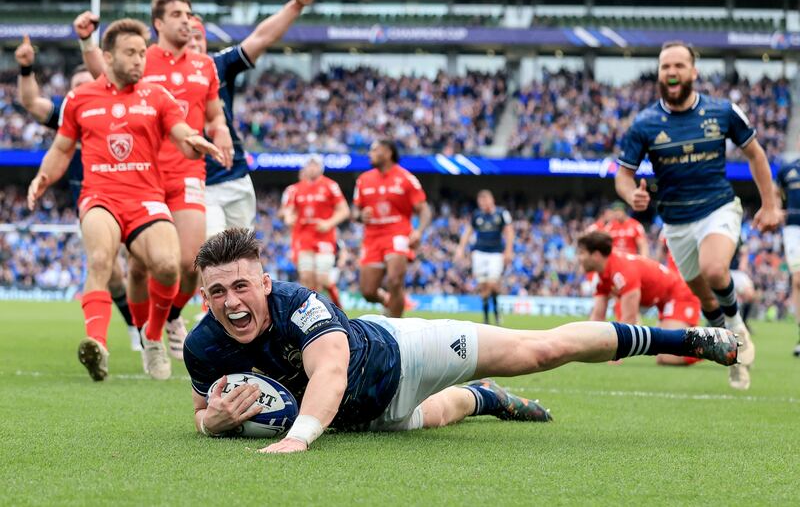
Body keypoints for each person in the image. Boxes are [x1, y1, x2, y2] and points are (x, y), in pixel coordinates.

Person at [184, 228, 739, 454]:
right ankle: (488, 398)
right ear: (202, 295)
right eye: (216, 292)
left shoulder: (296, 302)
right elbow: (201, 413)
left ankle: (689, 336)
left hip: (401, 355)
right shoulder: (203, 346)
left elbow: (328, 371)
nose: (232, 302)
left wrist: (300, 438)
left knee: (540, 350)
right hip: (359, 418)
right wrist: (215, 421)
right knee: (450, 411)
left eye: (241, 286)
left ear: (263, 281)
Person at [26, 18, 223, 381]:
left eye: (142, 53)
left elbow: (180, 132)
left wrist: (193, 143)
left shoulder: (157, 96)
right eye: (130, 53)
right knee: (101, 259)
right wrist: (43, 176)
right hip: (100, 196)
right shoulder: (80, 98)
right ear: (107, 57)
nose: (139, 60)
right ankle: (97, 345)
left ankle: (152, 337)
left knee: (168, 266)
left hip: (147, 198)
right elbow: (61, 147)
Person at [75, 0, 234, 364]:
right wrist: (87, 43)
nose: (187, 22)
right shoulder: (141, 58)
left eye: (189, 15)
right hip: (142, 175)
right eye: (177, 14)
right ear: (158, 23)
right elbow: (104, 76)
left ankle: (171, 318)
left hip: (186, 171)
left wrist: (220, 131)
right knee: (140, 266)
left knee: (190, 262)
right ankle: (145, 332)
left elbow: (214, 114)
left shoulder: (205, 65)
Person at [615, 40, 781, 390]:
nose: (671, 72)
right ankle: (732, 353)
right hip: (676, 223)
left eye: (678, 65)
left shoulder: (723, 112)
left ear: (694, 72)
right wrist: (633, 195)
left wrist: (769, 204)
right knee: (705, 297)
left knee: (715, 268)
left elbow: (756, 155)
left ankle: (737, 327)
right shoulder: (644, 123)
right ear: (659, 74)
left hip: (718, 208)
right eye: (665, 67)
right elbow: (623, 175)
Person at [14, 35, 142, 352]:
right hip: (93, 205)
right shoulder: (71, 111)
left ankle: (160, 324)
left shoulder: (127, 106)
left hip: (136, 198)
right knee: (110, 272)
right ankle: (133, 328)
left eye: (90, 81)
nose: (84, 90)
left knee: (146, 266)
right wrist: (27, 68)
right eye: (78, 85)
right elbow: (32, 103)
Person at [184, 0, 312, 240]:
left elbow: (260, 39)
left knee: (242, 255)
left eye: (198, 38)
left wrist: (296, 5)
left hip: (234, 174)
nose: (193, 43)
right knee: (214, 249)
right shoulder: (159, 74)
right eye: (187, 37)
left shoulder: (216, 66)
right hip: (196, 180)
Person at [578, 231, 703, 367]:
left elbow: (629, 318)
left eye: (582, 253)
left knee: (667, 358)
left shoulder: (622, 271)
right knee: (663, 356)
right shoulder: (602, 276)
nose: (579, 258)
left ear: (596, 255)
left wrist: (616, 354)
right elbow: (597, 317)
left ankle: (710, 344)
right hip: (662, 299)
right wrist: (584, 349)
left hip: (679, 294)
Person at [353, 139, 431, 317]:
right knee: (368, 291)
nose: (369, 154)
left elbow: (424, 208)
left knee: (395, 280)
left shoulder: (406, 179)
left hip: (398, 234)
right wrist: (359, 216)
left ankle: (396, 331)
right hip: (372, 237)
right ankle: (389, 301)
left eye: (374, 150)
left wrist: (419, 231)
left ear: (388, 153)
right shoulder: (363, 180)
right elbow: (355, 211)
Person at [281, 156, 349, 306]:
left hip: (325, 238)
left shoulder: (330, 186)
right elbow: (288, 210)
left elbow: (344, 210)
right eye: (309, 164)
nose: (312, 167)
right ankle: (315, 312)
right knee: (306, 278)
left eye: (315, 165)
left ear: (321, 167)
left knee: (322, 279)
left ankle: (339, 307)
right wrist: (288, 217)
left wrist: (329, 223)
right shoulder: (296, 189)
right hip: (304, 238)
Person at [455, 189, 514, 325]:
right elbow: (468, 232)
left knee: (492, 284)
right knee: (483, 286)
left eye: (485, 200)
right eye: (480, 201)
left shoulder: (501, 213)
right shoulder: (477, 215)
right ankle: (487, 317)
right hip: (479, 253)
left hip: (495, 253)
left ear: (491, 200)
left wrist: (508, 251)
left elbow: (509, 232)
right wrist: (460, 248)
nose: (483, 204)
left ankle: (496, 312)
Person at [775, 158, 800, 356]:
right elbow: (775, 190)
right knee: (798, 280)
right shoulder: (788, 169)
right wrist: (775, 208)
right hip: (793, 229)